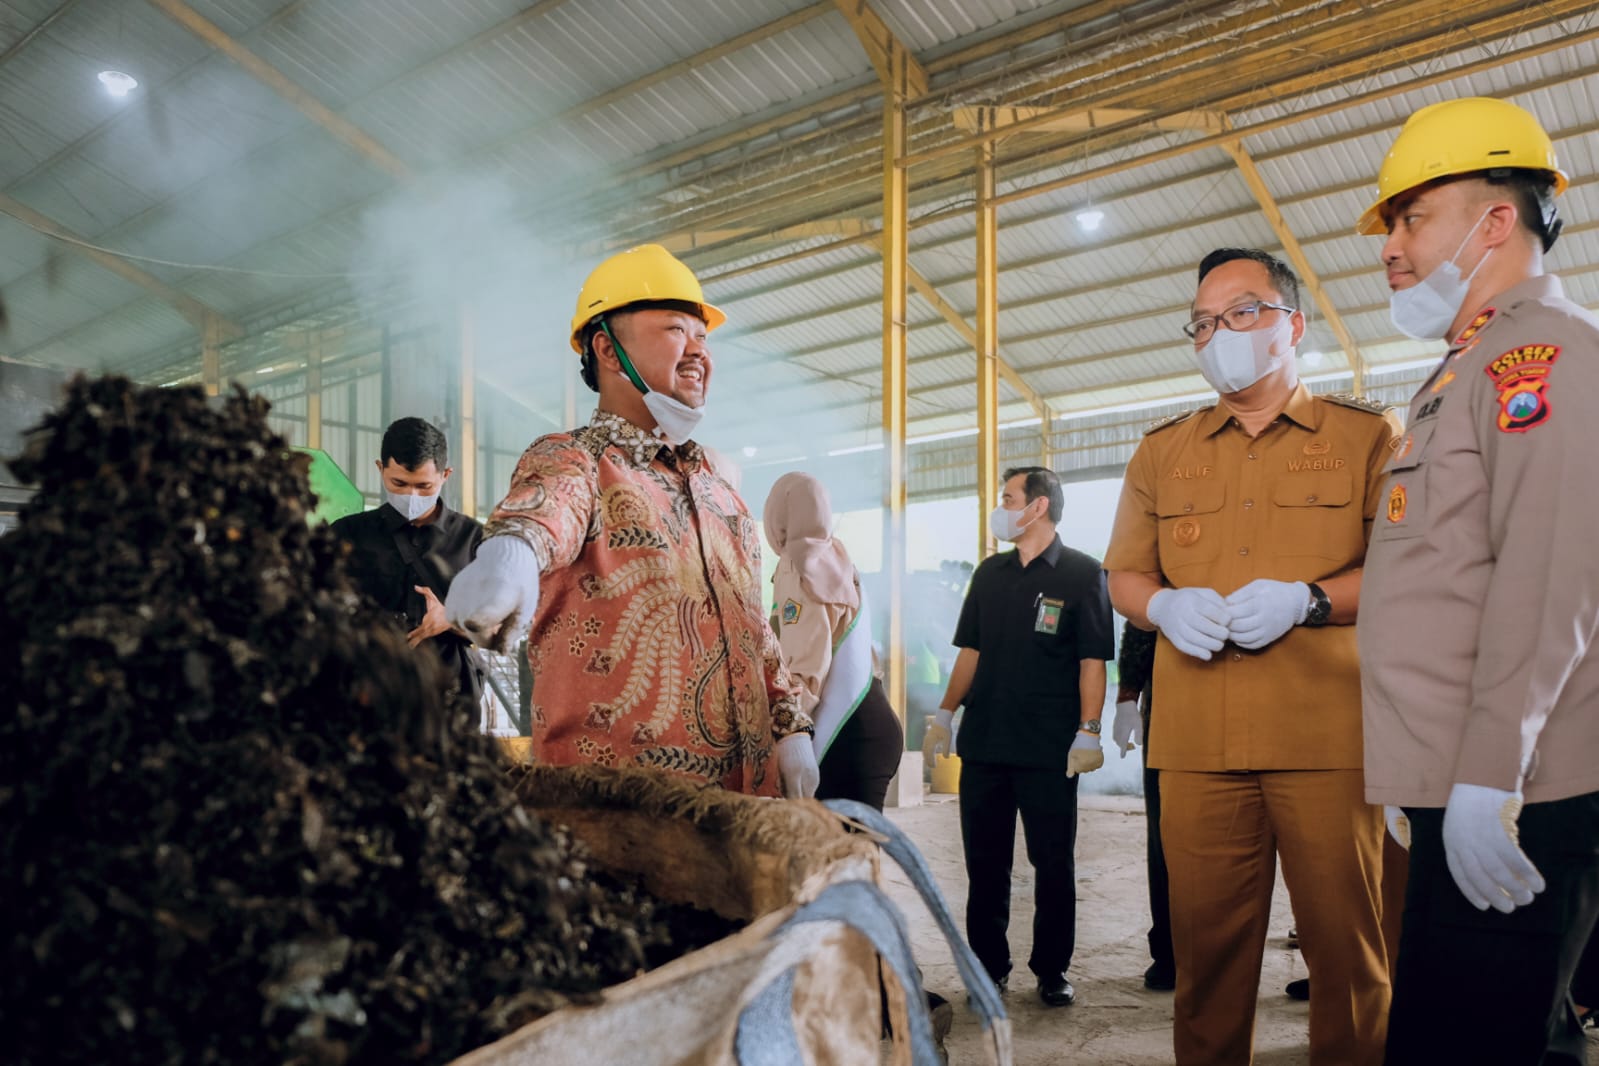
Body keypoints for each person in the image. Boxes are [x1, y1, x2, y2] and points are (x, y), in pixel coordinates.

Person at [1104, 247, 1402, 1066]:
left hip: (1327, 740)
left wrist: (1308, 600)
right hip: (1197, 746)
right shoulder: (1162, 451)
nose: (1217, 334)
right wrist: (1161, 605)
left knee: (1348, 957)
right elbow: (1125, 574)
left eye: (1240, 312)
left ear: (1291, 325)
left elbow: (1408, 572)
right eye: (1202, 323)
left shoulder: (1365, 436)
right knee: (1204, 962)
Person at [1355, 96, 1599, 1065]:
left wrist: (1489, 772)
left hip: (1521, 789)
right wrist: (1421, 773)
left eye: (1412, 218)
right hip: (1461, 779)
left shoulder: (1545, 355)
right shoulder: (1465, 368)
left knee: (1479, 1041)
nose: (1391, 248)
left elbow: (1549, 573)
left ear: (1496, 221)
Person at [443, 244, 817, 798]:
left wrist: (789, 725)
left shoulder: (722, 495)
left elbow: (753, 624)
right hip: (618, 814)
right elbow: (548, 505)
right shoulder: (578, 461)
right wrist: (512, 553)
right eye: (676, 330)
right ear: (608, 350)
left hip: (744, 810)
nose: (699, 351)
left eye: (703, 336)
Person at [923, 466, 1114, 1008]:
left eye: (1008, 498)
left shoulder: (1083, 574)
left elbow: (1092, 661)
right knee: (985, 866)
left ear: (1038, 506)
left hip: (1049, 749)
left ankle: (1052, 969)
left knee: (1052, 863)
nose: (1001, 507)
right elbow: (971, 651)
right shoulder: (990, 574)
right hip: (986, 743)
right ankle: (988, 968)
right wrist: (944, 713)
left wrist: (1089, 731)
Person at [762, 472, 904, 811]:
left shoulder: (798, 564)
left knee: (831, 843)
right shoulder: (836, 557)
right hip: (874, 724)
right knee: (860, 842)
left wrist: (788, 730)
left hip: (845, 733)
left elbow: (806, 663)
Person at [331, 417, 484, 708]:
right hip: (366, 695)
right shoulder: (347, 534)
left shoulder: (475, 539)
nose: (411, 496)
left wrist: (451, 619)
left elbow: (503, 626)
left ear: (445, 475)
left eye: (424, 486)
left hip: (450, 699)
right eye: (398, 483)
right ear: (380, 468)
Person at [1112, 620, 1174, 992]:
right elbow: (1141, 622)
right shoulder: (1165, 582)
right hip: (1173, 707)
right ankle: (1169, 952)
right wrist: (1127, 697)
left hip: (1270, 701)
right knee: (1166, 835)